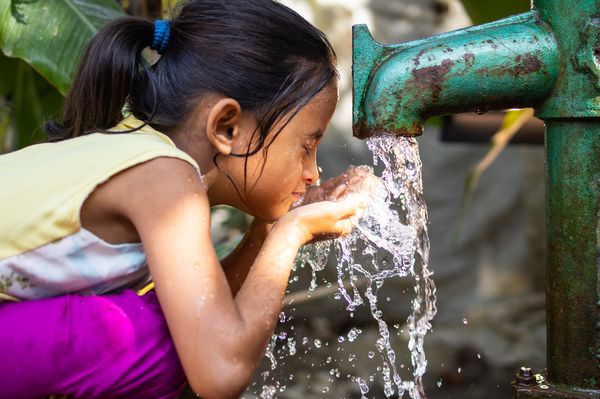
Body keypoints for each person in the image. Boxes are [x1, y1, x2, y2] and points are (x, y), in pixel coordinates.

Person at [0, 1, 373, 398]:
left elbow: (209, 315)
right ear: (226, 127)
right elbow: (219, 369)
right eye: (306, 146)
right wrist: (290, 235)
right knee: (157, 337)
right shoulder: (165, 180)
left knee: (175, 321)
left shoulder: (134, 150)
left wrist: (268, 232)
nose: (312, 171)